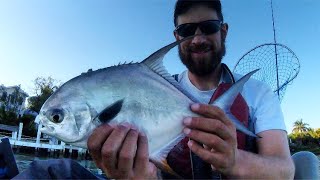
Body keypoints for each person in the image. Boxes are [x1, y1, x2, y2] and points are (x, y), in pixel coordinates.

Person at [87, 0, 296, 179]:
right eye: (187, 31)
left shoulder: (258, 92)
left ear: (223, 31)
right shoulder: (155, 87)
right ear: (177, 37)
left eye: (209, 27)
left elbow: (285, 172)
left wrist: (233, 161)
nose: (197, 39)